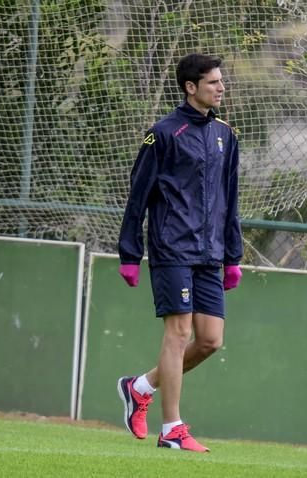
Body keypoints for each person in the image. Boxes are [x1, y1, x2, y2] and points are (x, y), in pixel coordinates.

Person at [116, 53, 243, 453]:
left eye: (221, 82)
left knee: (210, 341)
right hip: (172, 248)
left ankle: (140, 387)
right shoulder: (163, 134)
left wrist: (233, 256)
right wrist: (130, 253)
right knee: (179, 332)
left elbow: (230, 198)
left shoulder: (226, 135)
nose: (221, 88)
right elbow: (138, 197)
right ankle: (172, 428)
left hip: (211, 253)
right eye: (213, 83)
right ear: (191, 87)